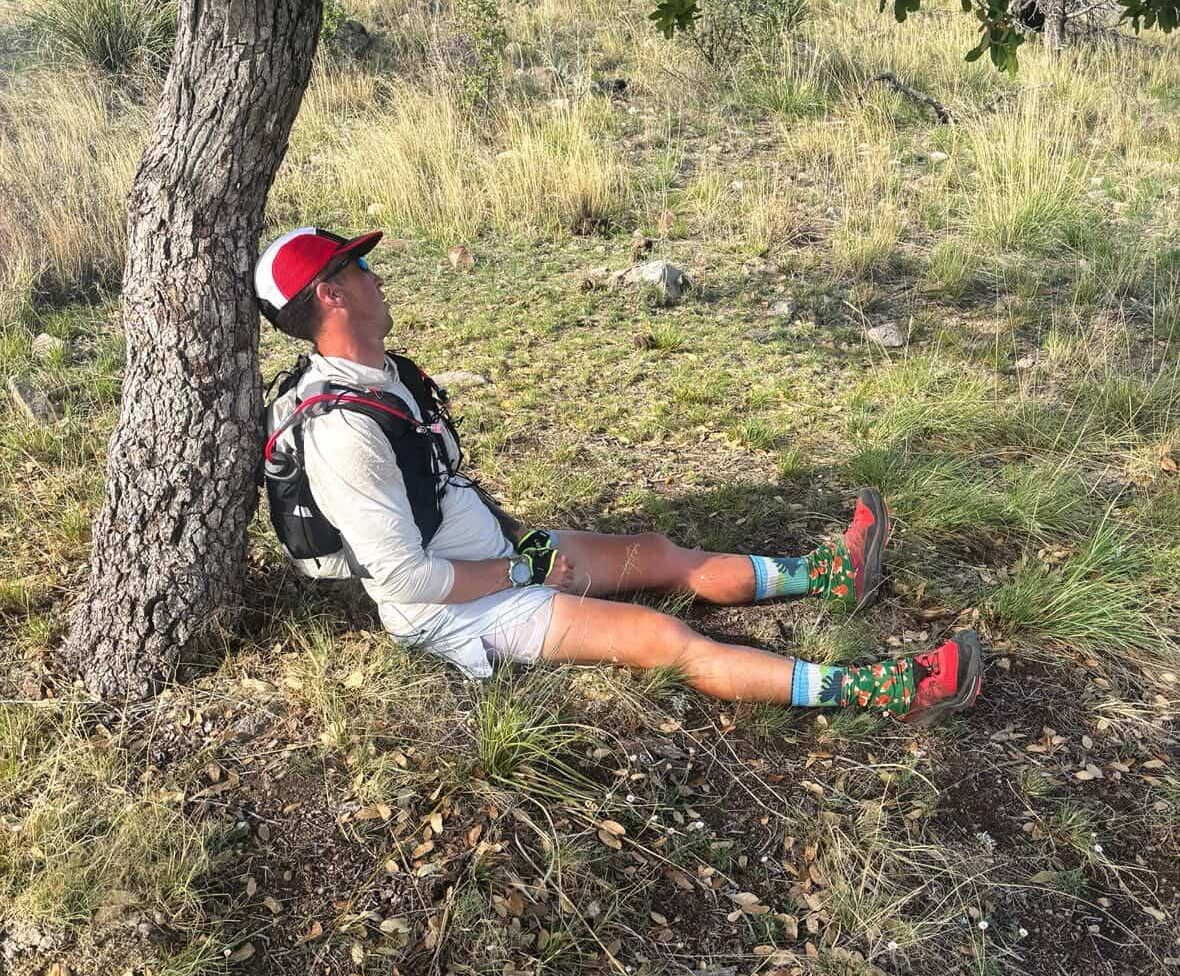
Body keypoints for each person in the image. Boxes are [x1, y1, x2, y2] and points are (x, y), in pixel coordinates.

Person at [254, 227, 984, 724]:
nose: (378, 276)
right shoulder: (343, 433)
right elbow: (406, 579)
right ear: (332, 295)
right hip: (459, 607)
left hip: (493, 557)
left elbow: (443, 486)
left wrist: (525, 548)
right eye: (361, 267)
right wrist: (520, 575)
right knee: (661, 638)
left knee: (658, 554)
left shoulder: (381, 375)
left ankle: (830, 575)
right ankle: (884, 690)